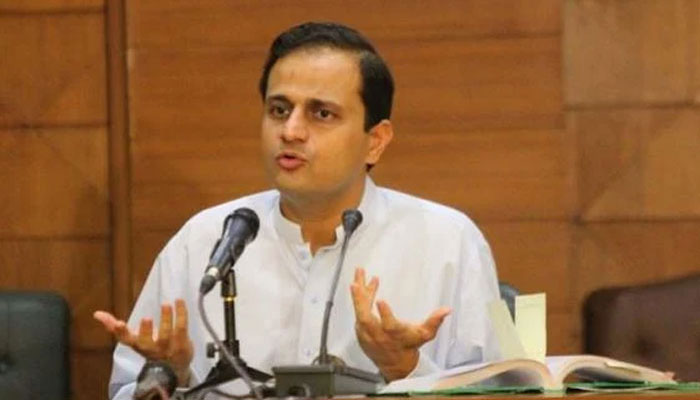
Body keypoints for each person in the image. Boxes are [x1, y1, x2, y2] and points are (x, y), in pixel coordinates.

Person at [94, 22, 501, 399]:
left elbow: (500, 391)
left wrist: (405, 368)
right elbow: (127, 389)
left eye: (322, 114)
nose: (290, 131)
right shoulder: (204, 241)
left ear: (375, 141)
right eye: (279, 110)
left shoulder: (448, 242)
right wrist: (171, 378)